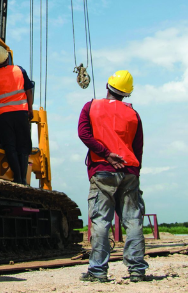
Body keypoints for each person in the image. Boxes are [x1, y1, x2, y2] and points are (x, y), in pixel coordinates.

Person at [78, 70, 147, 283]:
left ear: (107, 87)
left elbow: (84, 134)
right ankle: (137, 270)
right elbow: (138, 147)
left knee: (101, 221)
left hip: (102, 170)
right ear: (127, 94)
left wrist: (106, 154)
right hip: (129, 171)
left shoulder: (91, 107)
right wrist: (133, 172)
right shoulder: (133, 114)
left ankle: (98, 272)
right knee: (133, 220)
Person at [0, 45, 34, 185]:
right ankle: (23, 178)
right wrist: (30, 109)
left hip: (3, 116)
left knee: (10, 146)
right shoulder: (19, 70)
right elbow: (28, 91)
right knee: (23, 146)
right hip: (21, 113)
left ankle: (18, 177)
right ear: (7, 58)